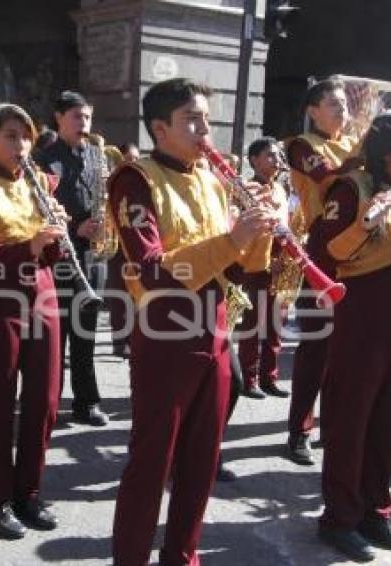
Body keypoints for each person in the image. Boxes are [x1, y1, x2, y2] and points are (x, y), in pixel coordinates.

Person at [108, 78, 274, 565]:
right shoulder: (134, 180)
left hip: (216, 326)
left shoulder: (210, 176)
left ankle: (182, 556)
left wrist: (262, 229)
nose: (206, 129)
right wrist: (231, 240)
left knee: (202, 462)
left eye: (206, 117)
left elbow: (240, 267)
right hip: (166, 332)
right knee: (151, 464)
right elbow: (153, 269)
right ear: (160, 128)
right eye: (192, 119)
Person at [315, 111, 391, 562]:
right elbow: (324, 252)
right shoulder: (351, 189)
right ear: (388, 152)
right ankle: (340, 517)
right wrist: (368, 220)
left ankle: (375, 510)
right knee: (351, 416)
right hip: (364, 313)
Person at [0, 103, 64, 539]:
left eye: (25, 136)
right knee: (1, 404)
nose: (20, 144)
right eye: (10, 135)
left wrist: (57, 234)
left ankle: (29, 492)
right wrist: (28, 246)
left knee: (44, 402)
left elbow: (53, 253)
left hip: (42, 294)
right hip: (0, 298)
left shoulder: (39, 181)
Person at [285, 77, 363, 466]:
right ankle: (299, 429)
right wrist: (368, 151)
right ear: (312, 110)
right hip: (321, 248)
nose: (342, 109)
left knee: (348, 347)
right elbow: (332, 182)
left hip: (362, 250)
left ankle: (333, 426)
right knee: (316, 345)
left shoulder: (353, 144)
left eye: (344, 103)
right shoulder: (303, 146)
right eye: (333, 103)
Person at [35, 90, 108, 427]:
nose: (84, 123)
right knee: (55, 335)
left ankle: (86, 402)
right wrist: (76, 228)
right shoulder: (42, 158)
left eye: (88, 117)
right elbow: (36, 209)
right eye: (77, 117)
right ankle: (45, 401)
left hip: (92, 255)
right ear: (59, 118)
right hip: (60, 252)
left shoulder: (97, 154)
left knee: (86, 332)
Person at [236, 137, 290, 399]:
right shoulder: (246, 188)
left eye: (279, 155)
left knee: (276, 326)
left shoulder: (281, 189)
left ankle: (270, 377)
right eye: (270, 155)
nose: (277, 160)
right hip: (255, 265)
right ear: (254, 160)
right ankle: (249, 378)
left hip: (280, 267)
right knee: (252, 325)